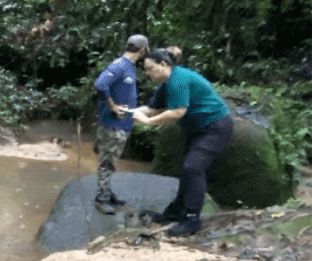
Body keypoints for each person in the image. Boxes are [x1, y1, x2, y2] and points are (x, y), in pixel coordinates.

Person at [133, 48, 233, 236]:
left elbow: (178, 112)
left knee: (193, 168)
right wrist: (130, 112)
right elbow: (153, 109)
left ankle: (192, 219)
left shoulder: (178, 79)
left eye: (149, 68)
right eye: (145, 70)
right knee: (187, 171)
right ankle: (175, 213)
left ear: (163, 64)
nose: (147, 73)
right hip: (197, 130)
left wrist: (147, 122)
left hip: (215, 128)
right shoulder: (166, 84)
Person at [92, 34, 150, 214]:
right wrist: (112, 105)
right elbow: (100, 84)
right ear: (142, 50)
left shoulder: (129, 66)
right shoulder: (119, 65)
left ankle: (107, 194)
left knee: (112, 161)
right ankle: (101, 199)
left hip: (121, 124)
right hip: (112, 124)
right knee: (107, 162)